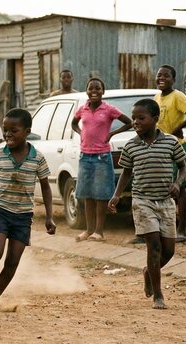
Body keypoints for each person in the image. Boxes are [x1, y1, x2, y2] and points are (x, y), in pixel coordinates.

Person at [0, 108, 56, 308]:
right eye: (5, 129)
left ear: (26, 132)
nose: (7, 134)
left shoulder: (37, 157)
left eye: (13, 130)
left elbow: (45, 187)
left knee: (12, 262)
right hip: (1, 211)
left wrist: (49, 217)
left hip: (23, 216)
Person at [108, 99, 186, 310]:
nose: (135, 122)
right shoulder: (131, 146)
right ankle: (158, 295)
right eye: (133, 118)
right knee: (153, 247)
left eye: (141, 118)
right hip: (142, 201)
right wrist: (116, 195)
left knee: (168, 250)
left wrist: (178, 184)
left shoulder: (170, 142)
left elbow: (183, 167)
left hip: (165, 202)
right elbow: (126, 172)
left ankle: (148, 272)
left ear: (155, 119)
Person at [71, 78, 132, 241]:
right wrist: (80, 134)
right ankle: (88, 230)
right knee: (87, 195)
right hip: (85, 156)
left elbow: (129, 123)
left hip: (102, 157)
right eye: (91, 89)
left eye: (98, 89)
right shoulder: (82, 108)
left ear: (103, 91)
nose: (94, 91)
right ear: (87, 91)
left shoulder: (109, 109)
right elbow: (74, 123)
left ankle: (99, 231)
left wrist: (112, 133)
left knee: (100, 195)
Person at [153, 64, 186, 243]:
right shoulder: (156, 97)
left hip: (176, 146)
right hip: (160, 147)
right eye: (159, 75)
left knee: (179, 188)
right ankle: (164, 229)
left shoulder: (177, 96)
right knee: (163, 188)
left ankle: (181, 230)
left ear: (173, 79)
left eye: (166, 76)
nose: (162, 79)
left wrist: (178, 128)